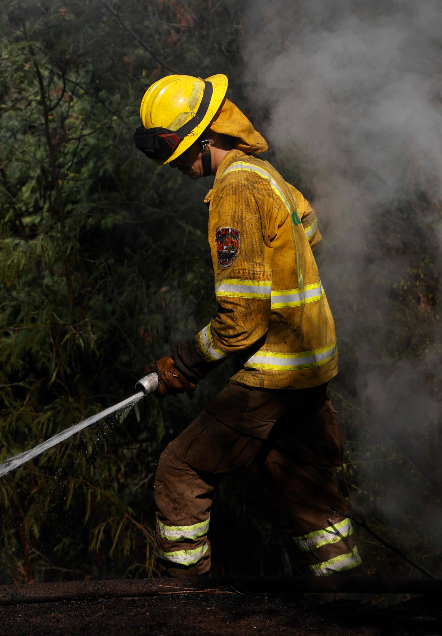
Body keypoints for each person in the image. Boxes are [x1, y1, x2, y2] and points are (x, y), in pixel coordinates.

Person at [133, 73, 359, 578]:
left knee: (180, 469)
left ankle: (183, 601)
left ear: (206, 139)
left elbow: (241, 323)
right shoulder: (265, 176)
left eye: (180, 154)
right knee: (303, 486)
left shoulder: (233, 190)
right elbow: (311, 228)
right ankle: (346, 597)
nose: (178, 168)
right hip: (310, 366)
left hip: (271, 372)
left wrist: (183, 365)